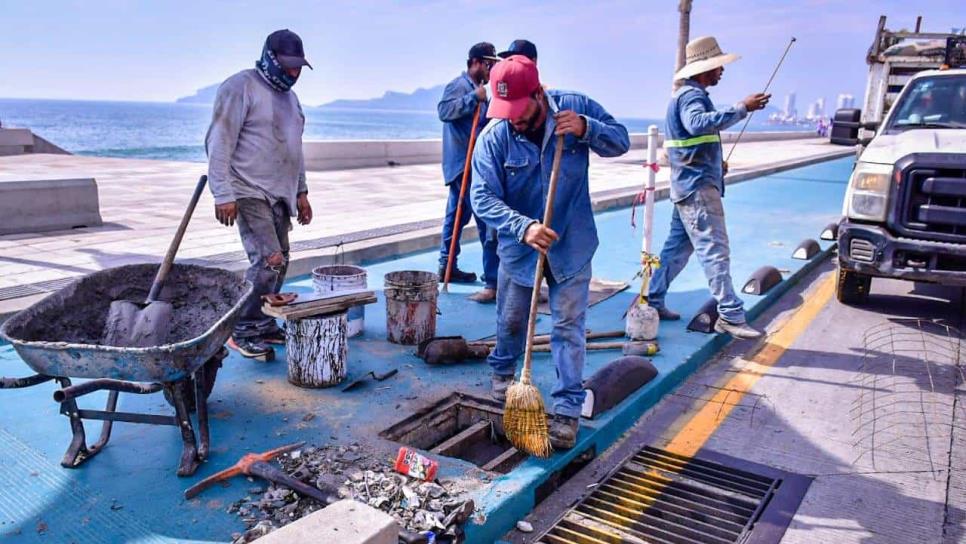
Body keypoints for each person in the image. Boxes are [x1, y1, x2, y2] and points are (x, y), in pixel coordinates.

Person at [471, 56, 630, 449]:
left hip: (571, 243)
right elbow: (481, 196)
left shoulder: (575, 108)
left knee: (567, 328)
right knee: (510, 321)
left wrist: (587, 129)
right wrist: (522, 226)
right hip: (520, 249)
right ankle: (503, 377)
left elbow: (622, 141)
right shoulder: (495, 137)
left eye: (519, 113)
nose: (513, 121)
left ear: (538, 94)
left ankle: (565, 412)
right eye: (504, 112)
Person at [648, 36, 770, 340]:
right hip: (698, 190)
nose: (721, 72)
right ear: (706, 68)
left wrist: (716, 165)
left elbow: (689, 142)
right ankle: (730, 314)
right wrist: (742, 108)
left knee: (676, 249)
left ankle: (651, 300)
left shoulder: (685, 95)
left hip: (688, 185)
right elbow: (698, 124)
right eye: (718, 67)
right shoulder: (692, 97)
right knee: (715, 250)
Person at [206, 29, 314, 361]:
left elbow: (295, 149)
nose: (294, 74)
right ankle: (241, 329)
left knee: (281, 261)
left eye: (299, 67)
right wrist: (222, 192)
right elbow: (219, 141)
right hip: (247, 188)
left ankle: (262, 324)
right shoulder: (241, 87)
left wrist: (301, 191)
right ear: (270, 58)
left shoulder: (291, 100)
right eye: (288, 66)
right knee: (269, 260)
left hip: (279, 193)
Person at [437, 42, 501, 303]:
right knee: (484, 221)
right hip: (463, 167)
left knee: (457, 218)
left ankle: (448, 266)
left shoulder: (480, 90)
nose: (491, 69)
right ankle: (492, 280)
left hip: (474, 165)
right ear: (475, 62)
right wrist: (476, 97)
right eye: (489, 64)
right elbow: (444, 111)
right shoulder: (460, 86)